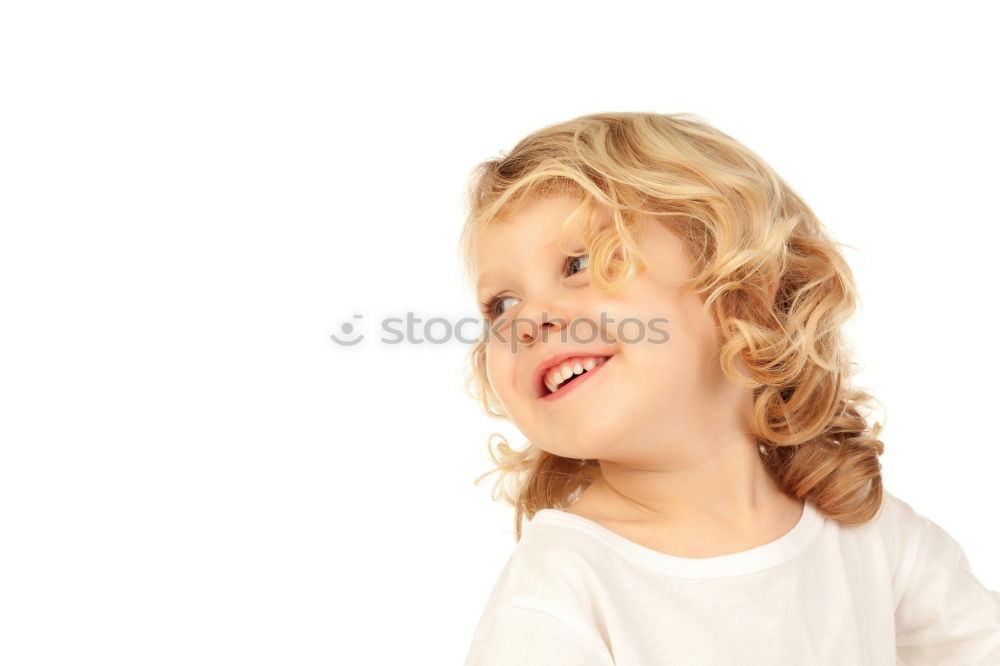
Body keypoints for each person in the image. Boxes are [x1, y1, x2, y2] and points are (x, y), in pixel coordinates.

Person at [458, 111, 1000, 665]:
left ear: (743, 292)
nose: (529, 320)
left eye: (579, 264)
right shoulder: (561, 586)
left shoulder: (870, 535)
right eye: (501, 305)